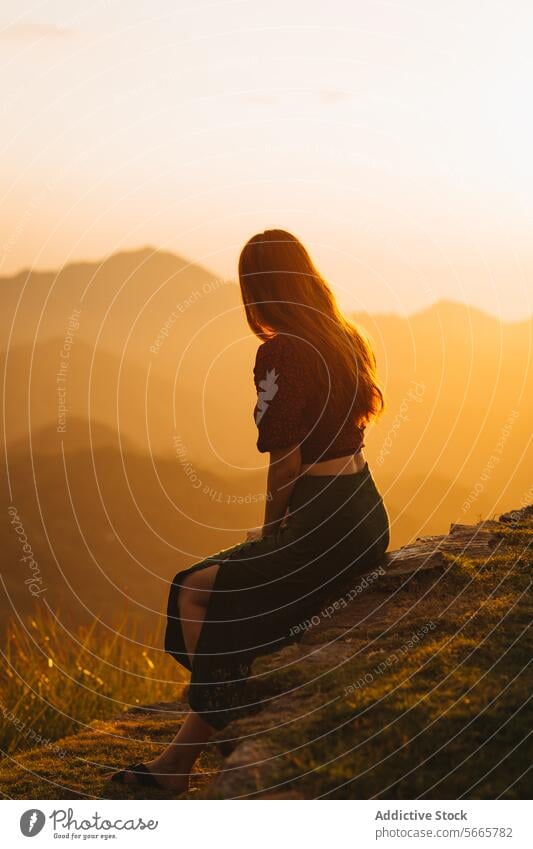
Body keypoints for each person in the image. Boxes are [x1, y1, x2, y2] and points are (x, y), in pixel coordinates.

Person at [107, 229, 390, 793]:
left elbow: (285, 464)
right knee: (209, 593)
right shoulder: (344, 336)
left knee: (200, 591)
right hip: (362, 512)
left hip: (322, 520)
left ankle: (186, 758)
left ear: (260, 289)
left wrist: (268, 532)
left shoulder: (282, 350)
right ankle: (219, 719)